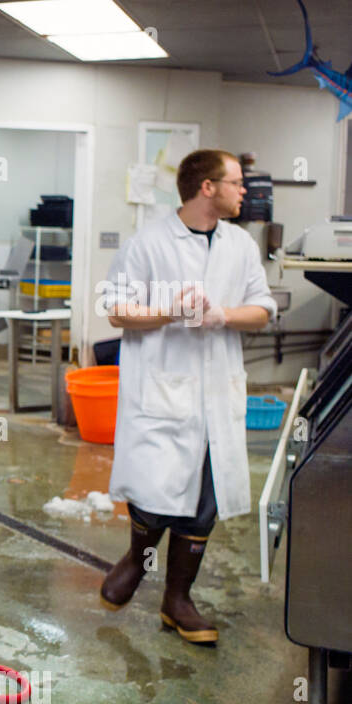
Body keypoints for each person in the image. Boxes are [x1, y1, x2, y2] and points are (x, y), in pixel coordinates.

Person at [98, 149, 276, 644]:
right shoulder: (149, 243)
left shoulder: (240, 245)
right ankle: (137, 559)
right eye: (238, 183)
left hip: (217, 391)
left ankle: (178, 600)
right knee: (156, 489)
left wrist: (222, 315)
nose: (246, 192)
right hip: (163, 386)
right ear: (207, 188)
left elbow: (262, 310)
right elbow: (116, 311)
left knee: (205, 497)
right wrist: (170, 310)